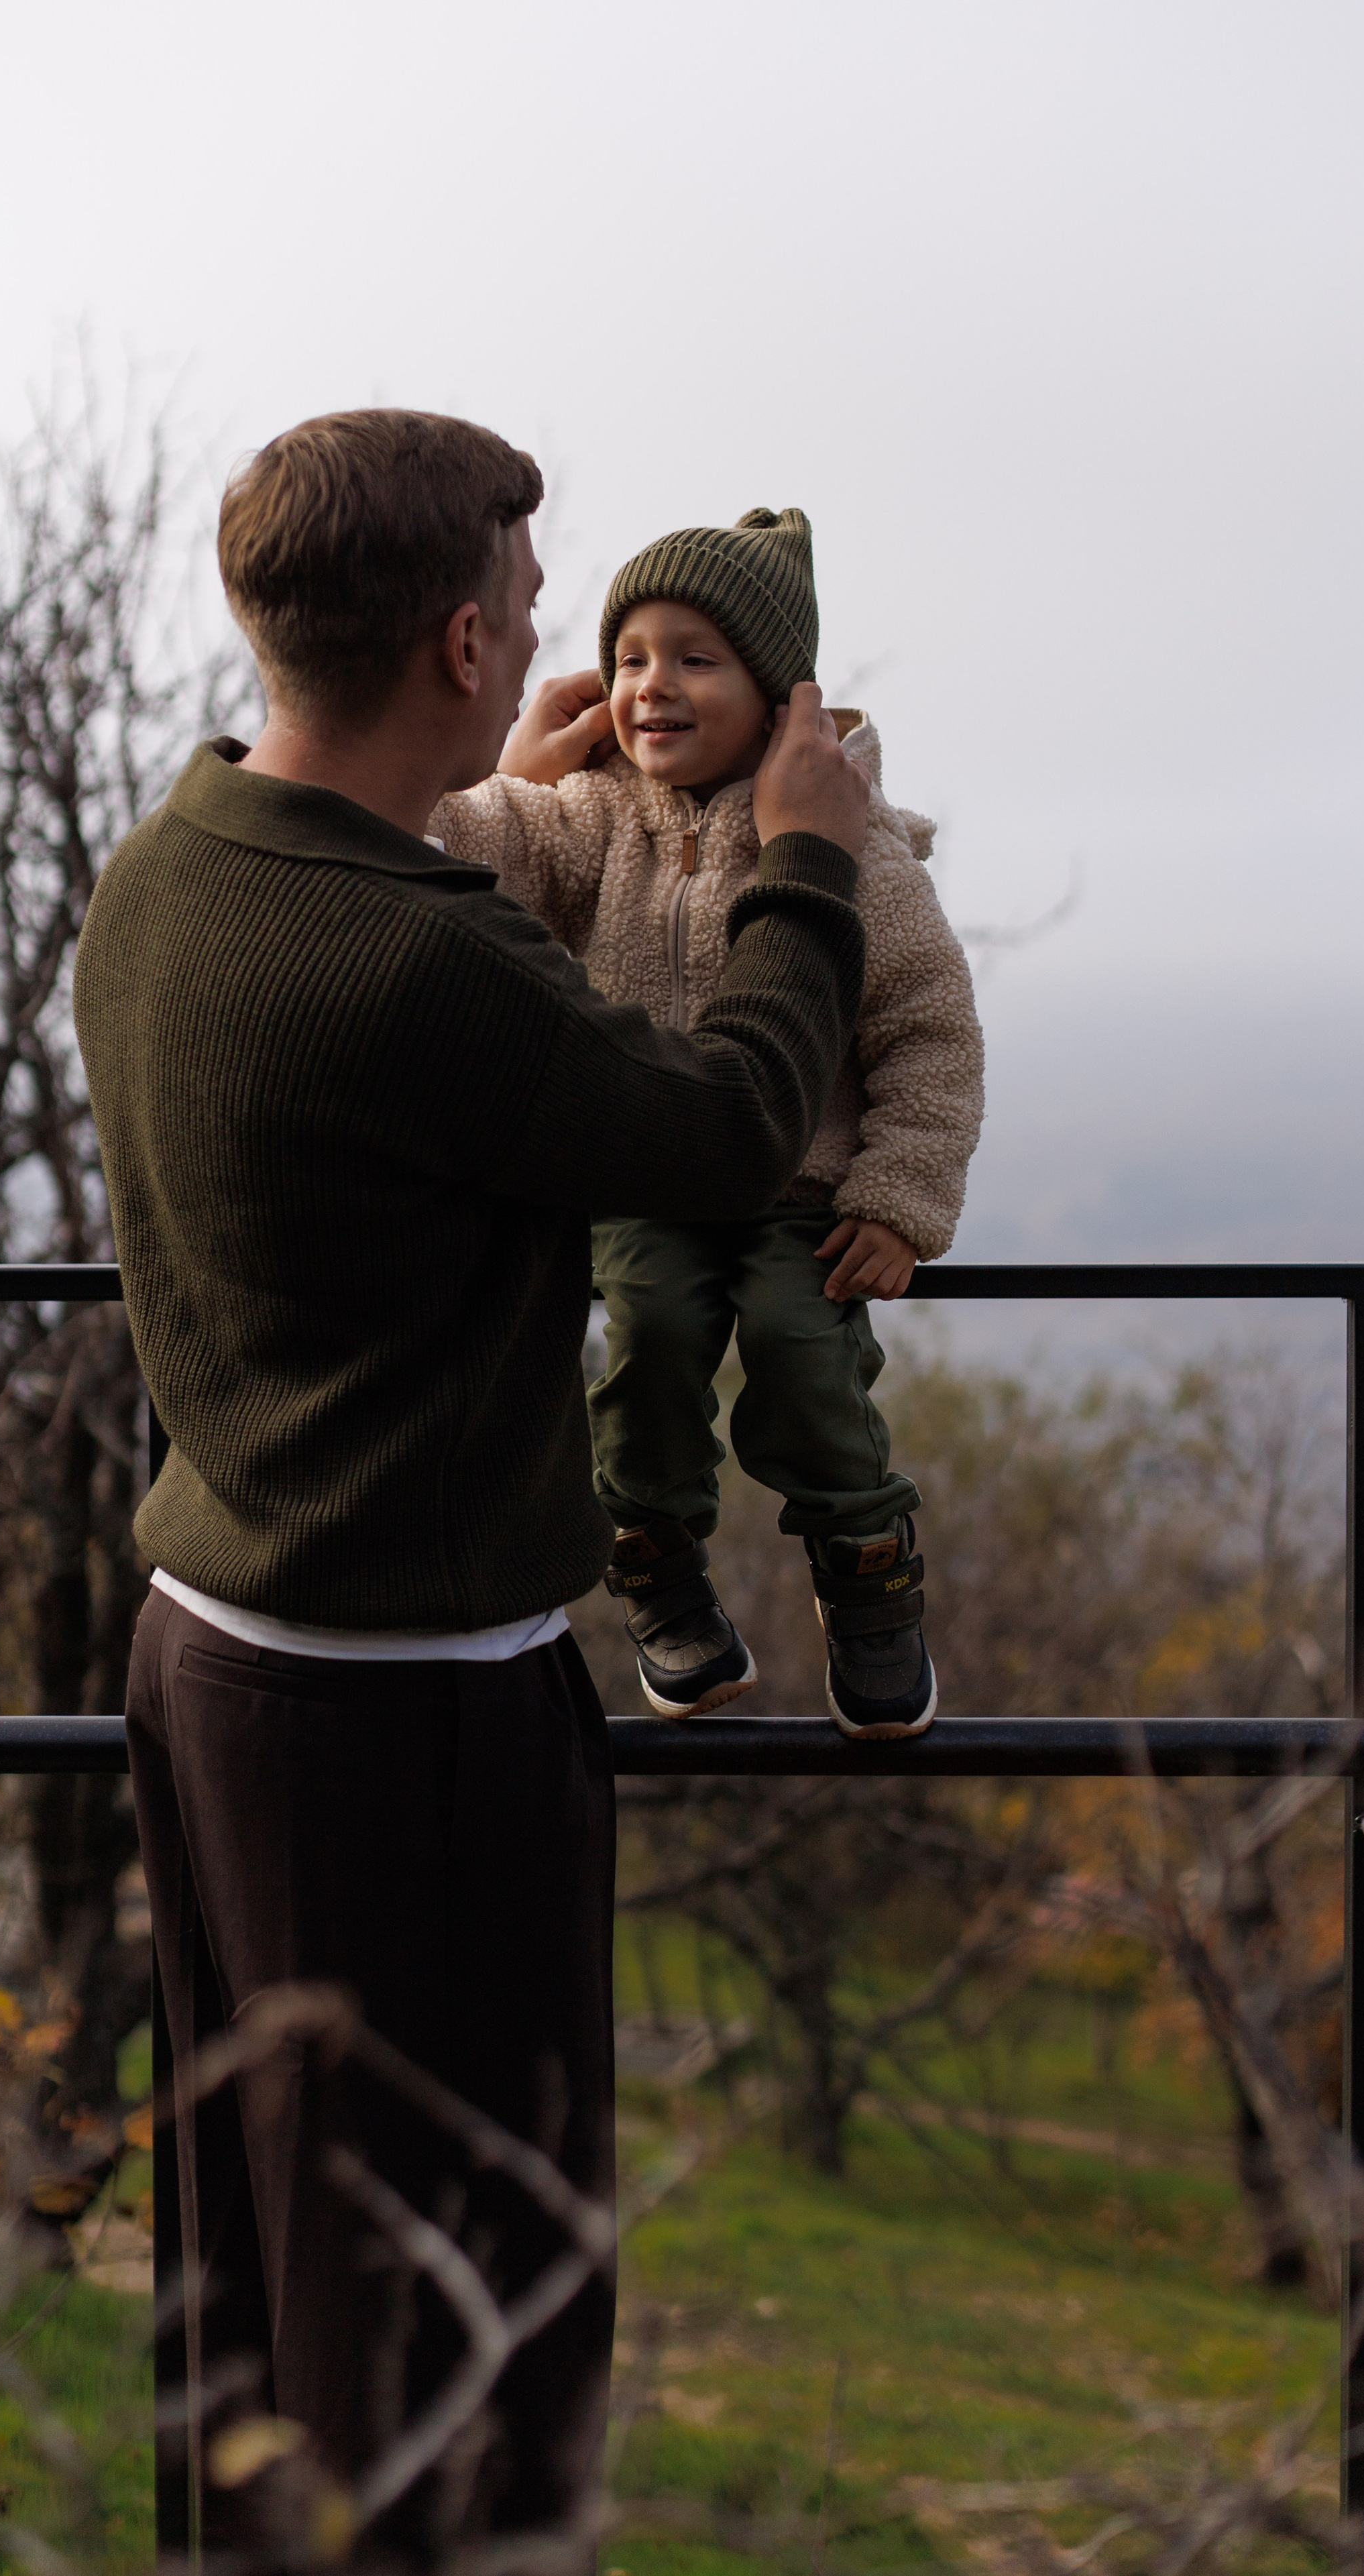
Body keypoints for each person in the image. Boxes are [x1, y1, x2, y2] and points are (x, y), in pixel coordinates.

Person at [72, 412, 870, 2557]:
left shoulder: (174, 865)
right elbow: (717, 1132)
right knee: (460, 2310)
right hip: (400, 1712)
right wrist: (799, 853)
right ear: (452, 632)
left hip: (212, 1647)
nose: (563, 635)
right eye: (527, 601)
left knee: (262, 2270)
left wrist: (489, 790)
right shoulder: (421, 958)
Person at [434, 507, 984, 1741]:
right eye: (631, 657)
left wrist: (900, 1200)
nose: (651, 687)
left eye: (694, 658)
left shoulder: (853, 843)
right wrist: (470, 785)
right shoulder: (600, 816)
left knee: (803, 1355)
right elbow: (489, 846)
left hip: (807, 1199)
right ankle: (657, 1568)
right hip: (646, 1179)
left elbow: (929, 1028)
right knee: (648, 1350)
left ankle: (868, 1576)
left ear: (784, 696)